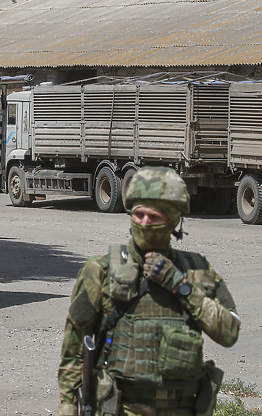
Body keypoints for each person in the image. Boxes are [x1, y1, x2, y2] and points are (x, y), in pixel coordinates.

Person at [57, 167, 241, 416]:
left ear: (174, 220)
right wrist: (68, 402)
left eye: (153, 217)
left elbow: (229, 332)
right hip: (120, 408)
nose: (144, 223)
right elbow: (75, 345)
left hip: (183, 408)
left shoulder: (196, 271)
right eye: (138, 214)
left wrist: (180, 286)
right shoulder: (101, 269)